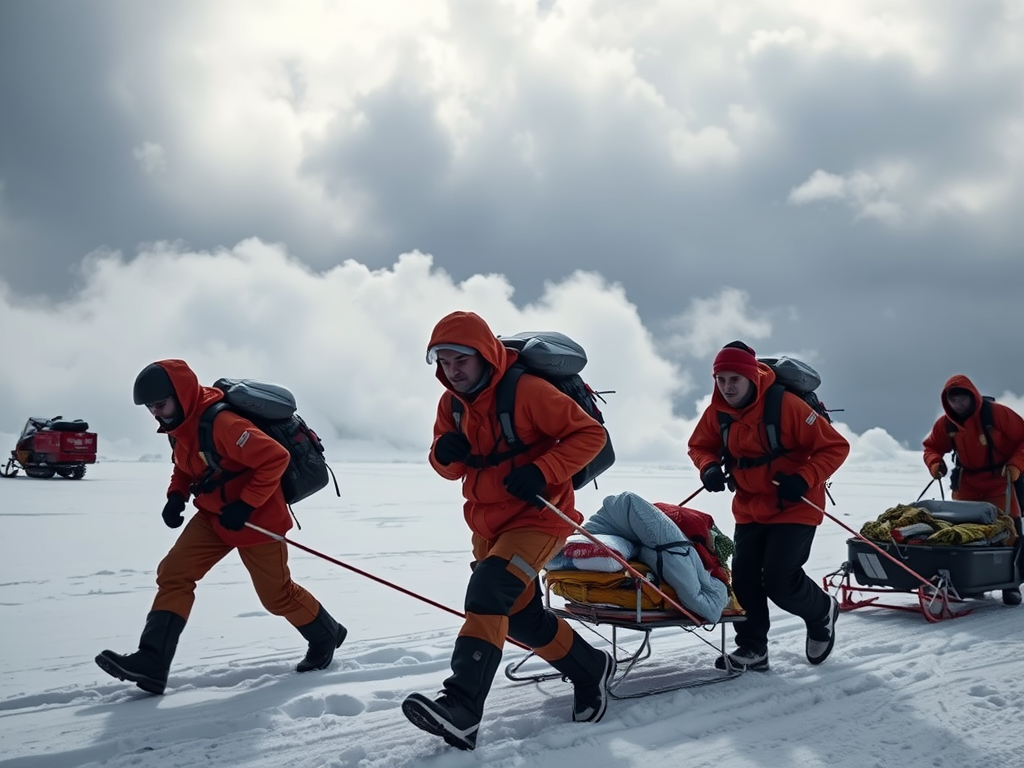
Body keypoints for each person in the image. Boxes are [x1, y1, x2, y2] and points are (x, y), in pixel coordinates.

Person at [401, 311, 614, 751]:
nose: (452, 371)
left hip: (539, 517)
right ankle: (590, 667)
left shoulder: (528, 391)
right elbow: (448, 469)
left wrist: (542, 470)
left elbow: (590, 435)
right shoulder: (452, 404)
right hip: (487, 523)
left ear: (484, 356)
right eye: (443, 361)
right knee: (521, 619)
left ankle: (461, 708)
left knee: (488, 592)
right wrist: (444, 453)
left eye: (460, 360)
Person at [95, 359, 346, 695]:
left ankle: (326, 634)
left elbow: (275, 457)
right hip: (214, 517)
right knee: (174, 573)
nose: (155, 413)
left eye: (159, 404)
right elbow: (186, 465)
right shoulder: (179, 424)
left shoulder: (223, 423)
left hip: (257, 521)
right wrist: (176, 496)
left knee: (276, 596)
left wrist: (246, 504)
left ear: (180, 395)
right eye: (150, 408)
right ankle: (152, 662)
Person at [688, 341, 850, 671]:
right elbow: (700, 445)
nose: (727, 387)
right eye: (720, 379)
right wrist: (708, 467)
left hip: (795, 504)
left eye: (735, 379)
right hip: (749, 506)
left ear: (751, 377)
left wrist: (804, 478)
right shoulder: (718, 412)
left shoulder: (786, 405)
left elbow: (834, 447)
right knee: (745, 579)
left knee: (780, 580)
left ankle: (821, 611)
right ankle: (752, 648)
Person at [922, 374, 1024, 605]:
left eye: (962, 399)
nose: (958, 404)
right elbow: (932, 447)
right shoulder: (947, 424)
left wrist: (1017, 464)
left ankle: (1011, 585)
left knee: (1009, 533)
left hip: (1001, 481)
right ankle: (971, 582)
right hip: (967, 483)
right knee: (964, 533)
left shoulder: (998, 414)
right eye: (953, 400)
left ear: (973, 397)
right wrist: (935, 463)